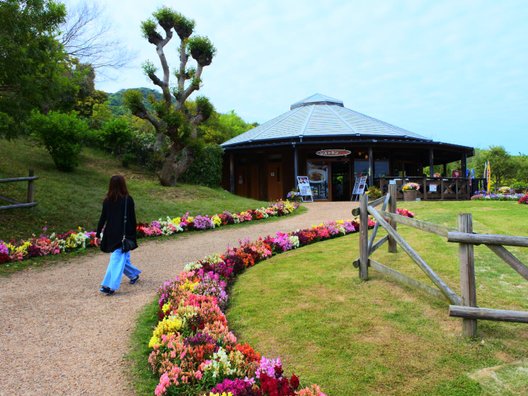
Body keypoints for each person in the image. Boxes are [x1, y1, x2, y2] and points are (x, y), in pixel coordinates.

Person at [97, 175, 141, 295]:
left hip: (118, 236)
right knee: (120, 259)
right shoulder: (125, 199)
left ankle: (109, 285)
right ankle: (134, 274)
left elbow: (102, 219)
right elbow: (132, 219)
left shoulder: (114, 200)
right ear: (123, 185)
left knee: (116, 258)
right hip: (119, 235)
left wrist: (98, 233)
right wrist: (133, 234)